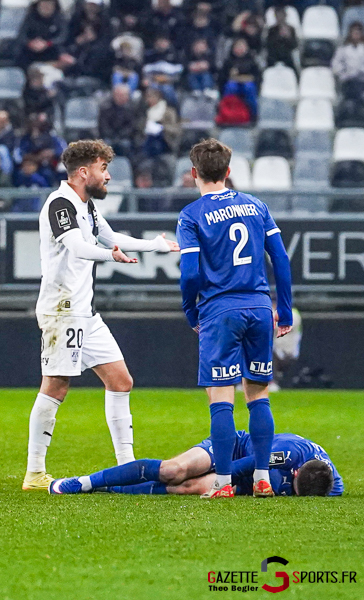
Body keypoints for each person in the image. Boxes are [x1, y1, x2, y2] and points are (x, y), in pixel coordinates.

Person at [23, 139, 180, 492]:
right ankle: (34, 473)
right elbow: (78, 247)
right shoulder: (59, 204)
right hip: (62, 309)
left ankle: (127, 468)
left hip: (85, 312)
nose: (107, 176)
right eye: (103, 169)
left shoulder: (87, 206)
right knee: (56, 385)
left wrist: (155, 245)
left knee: (121, 380)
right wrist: (113, 257)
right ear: (84, 171)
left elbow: (110, 236)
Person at [176, 138, 293, 499]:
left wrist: (190, 308)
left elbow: (190, 273)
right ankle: (261, 478)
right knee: (258, 395)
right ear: (229, 172)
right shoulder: (256, 206)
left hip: (220, 310)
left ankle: (224, 483)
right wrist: (284, 308)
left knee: (221, 396)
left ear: (194, 173)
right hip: (259, 307)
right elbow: (281, 259)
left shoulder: (191, 215)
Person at [50, 430, 342, 497]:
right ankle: (85, 481)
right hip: (234, 448)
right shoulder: (288, 453)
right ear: (293, 471)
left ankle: (108, 490)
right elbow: (248, 465)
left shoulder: (332, 485)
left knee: (187, 487)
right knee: (174, 471)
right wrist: (220, 482)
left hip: (252, 480)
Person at [16, 0, 68, 69]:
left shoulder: (60, 19)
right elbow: (21, 35)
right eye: (43, 4)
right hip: (30, 53)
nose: (46, 6)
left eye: (49, 4)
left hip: (51, 52)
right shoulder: (30, 17)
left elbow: (62, 37)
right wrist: (31, 43)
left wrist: (47, 44)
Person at [271, 304, 302, 392]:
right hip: (277, 351)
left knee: (270, 353)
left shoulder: (293, 313)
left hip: (289, 353)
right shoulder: (273, 312)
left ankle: (272, 382)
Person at [332, 22, 364, 100]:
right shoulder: (343, 49)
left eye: (358, 32)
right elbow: (335, 64)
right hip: (347, 81)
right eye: (354, 32)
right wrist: (344, 72)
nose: (356, 35)